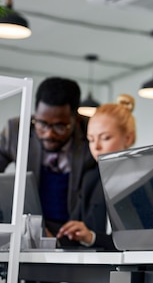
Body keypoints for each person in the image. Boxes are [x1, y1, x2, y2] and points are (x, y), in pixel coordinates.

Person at [0, 77, 95, 236]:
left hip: (76, 231)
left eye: (59, 126)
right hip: (31, 230)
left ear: (75, 119)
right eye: (41, 123)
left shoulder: (91, 133)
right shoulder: (17, 130)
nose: (48, 133)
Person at [56, 94, 136, 250]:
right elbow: (76, 230)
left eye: (105, 138)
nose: (96, 146)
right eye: (91, 139)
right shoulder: (90, 179)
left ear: (128, 138)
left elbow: (138, 242)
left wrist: (92, 237)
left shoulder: (140, 179)